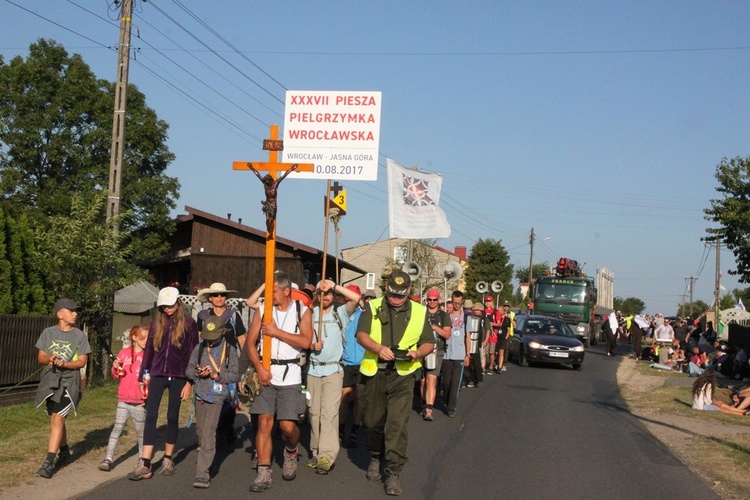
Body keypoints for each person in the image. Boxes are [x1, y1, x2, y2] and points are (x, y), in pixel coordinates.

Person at [357, 269, 434, 496]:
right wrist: (378, 348)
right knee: (371, 423)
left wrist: (417, 353)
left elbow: (429, 342)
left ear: (409, 291)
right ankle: (374, 455)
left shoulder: (420, 312)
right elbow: (361, 335)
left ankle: (393, 473)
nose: (396, 299)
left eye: (401, 295)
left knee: (397, 426)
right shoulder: (373, 307)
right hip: (376, 374)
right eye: (392, 294)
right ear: (387, 289)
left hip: (403, 376)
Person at [246, 271, 313, 493]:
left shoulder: (302, 311)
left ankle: (291, 451)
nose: (270, 295)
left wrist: (277, 332)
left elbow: (306, 341)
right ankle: (263, 472)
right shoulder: (263, 310)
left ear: (286, 291)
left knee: (287, 426)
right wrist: (259, 368)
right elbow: (250, 342)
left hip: (291, 375)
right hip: (266, 373)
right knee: (265, 423)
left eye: (273, 291)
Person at [129, 287, 199, 481]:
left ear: (178, 303)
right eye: (163, 306)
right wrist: (144, 378)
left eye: (170, 305)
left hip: (179, 376)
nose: (167, 309)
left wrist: (189, 381)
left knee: (172, 415)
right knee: (150, 415)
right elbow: (149, 353)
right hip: (157, 374)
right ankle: (145, 461)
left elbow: (193, 353)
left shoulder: (190, 324)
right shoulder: (155, 325)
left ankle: (168, 458)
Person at [307, 279, 360, 475]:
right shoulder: (309, 314)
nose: (326, 296)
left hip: (333, 371)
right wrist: (312, 346)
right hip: (313, 371)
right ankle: (316, 450)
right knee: (314, 413)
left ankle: (326, 456)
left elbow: (356, 298)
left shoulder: (340, 313)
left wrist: (333, 285)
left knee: (329, 413)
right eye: (322, 293)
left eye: (329, 293)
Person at [35, 298, 91, 479]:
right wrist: (50, 357)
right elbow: (41, 357)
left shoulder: (80, 336)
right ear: (60, 314)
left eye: (76, 311)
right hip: (50, 382)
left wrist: (65, 363)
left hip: (69, 383)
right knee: (56, 419)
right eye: (71, 310)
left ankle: (48, 462)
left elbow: (82, 361)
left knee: (58, 419)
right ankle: (65, 450)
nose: (75, 314)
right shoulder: (48, 333)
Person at [186, 315, 239, 489]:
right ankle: (208, 461)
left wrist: (217, 375)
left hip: (218, 396)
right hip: (200, 395)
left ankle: (202, 474)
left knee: (208, 433)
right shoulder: (199, 348)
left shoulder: (230, 350)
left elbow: (234, 375)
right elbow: (189, 369)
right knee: (201, 433)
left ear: (223, 332)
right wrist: (198, 372)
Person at [197, 282, 246, 445]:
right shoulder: (203, 316)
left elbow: (242, 340)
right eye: (216, 295)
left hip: (228, 364)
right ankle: (210, 437)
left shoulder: (233, 315)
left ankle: (226, 428)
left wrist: (245, 364)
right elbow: (199, 340)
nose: (219, 298)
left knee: (230, 400)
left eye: (222, 295)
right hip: (208, 363)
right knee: (208, 398)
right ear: (210, 298)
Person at [99, 324, 148, 472]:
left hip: (140, 402)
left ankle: (142, 457)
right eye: (143, 338)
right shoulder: (124, 353)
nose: (146, 341)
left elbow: (150, 377)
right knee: (117, 427)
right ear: (134, 338)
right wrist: (115, 366)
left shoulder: (148, 356)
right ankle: (108, 458)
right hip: (123, 399)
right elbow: (117, 375)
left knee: (141, 432)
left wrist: (148, 394)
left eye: (148, 338)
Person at [340, 285, 366, 447]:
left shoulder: (365, 314)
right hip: (347, 361)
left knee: (360, 397)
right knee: (345, 397)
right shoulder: (342, 313)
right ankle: (341, 429)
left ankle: (356, 428)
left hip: (363, 362)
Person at [420, 287, 451, 421]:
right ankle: (424, 403)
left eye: (435, 300)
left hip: (436, 351)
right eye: (429, 299)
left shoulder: (444, 316)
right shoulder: (422, 313)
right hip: (421, 350)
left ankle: (429, 409)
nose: (432, 302)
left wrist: (436, 328)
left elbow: (447, 334)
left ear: (439, 300)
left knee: (431, 379)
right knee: (423, 381)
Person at [441, 290, 469, 419]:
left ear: (462, 302)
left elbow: (468, 336)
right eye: (455, 302)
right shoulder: (447, 316)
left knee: (455, 383)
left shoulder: (466, 317)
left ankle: (452, 407)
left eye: (459, 303)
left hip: (459, 354)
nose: (457, 305)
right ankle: (447, 400)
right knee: (446, 382)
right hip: (447, 354)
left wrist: (467, 354)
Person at [465, 303, 489, 388]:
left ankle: (475, 378)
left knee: (476, 361)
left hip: (479, 343)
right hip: (470, 342)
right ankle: (468, 379)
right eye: (475, 310)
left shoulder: (484, 319)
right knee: (469, 362)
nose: (476, 312)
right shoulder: (469, 318)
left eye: (478, 310)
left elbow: (488, 330)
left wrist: (485, 341)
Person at [483, 296, 500, 375]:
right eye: (486, 301)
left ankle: (490, 367)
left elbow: (499, 323)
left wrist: (493, 324)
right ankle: (483, 367)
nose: (487, 302)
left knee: (491, 352)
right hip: (484, 335)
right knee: (484, 352)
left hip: (493, 335)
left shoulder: (496, 312)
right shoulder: (483, 311)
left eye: (489, 301)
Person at [497, 301, 515, 372]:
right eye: (505, 306)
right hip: (499, 334)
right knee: (497, 350)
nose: (506, 307)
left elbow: (515, 324)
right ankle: (498, 363)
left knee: (505, 349)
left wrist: (510, 318)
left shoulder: (512, 314)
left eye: (507, 306)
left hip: (508, 334)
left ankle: (504, 364)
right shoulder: (500, 313)